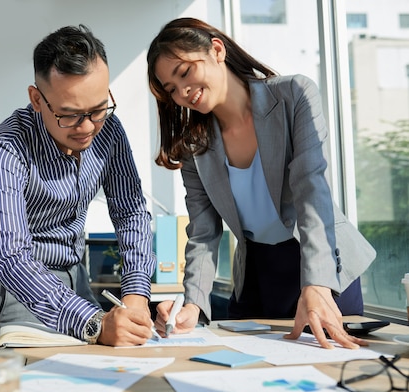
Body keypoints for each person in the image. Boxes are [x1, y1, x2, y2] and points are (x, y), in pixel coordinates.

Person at [146, 17, 376, 349]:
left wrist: (317, 283)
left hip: (319, 260)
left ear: (216, 50)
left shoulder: (293, 94)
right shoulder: (194, 146)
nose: (182, 92)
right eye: (171, 89)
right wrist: (193, 301)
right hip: (257, 273)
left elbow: (312, 192)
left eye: (184, 73)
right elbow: (203, 231)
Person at [0, 24, 156, 347]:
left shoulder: (109, 132)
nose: (87, 127)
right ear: (37, 99)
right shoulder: (3, 150)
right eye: (69, 115)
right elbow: (11, 256)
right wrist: (94, 324)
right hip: (18, 285)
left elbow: (130, 213)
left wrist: (137, 294)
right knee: (36, 377)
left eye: (99, 109)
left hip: (77, 274)